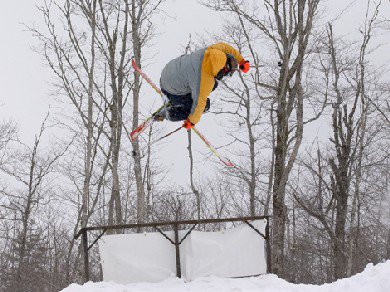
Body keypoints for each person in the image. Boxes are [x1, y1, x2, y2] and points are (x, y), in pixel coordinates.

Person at [155, 42, 250, 129]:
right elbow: (199, 104)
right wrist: (192, 121)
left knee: (213, 84)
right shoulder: (205, 79)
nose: (224, 76)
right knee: (205, 105)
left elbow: (226, 47)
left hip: (167, 71)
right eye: (227, 74)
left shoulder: (212, 51)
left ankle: (179, 97)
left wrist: (241, 60)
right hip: (169, 90)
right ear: (224, 69)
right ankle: (168, 113)